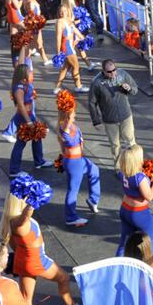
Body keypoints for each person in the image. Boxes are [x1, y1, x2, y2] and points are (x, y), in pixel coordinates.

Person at [0, 191, 85, 305]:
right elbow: (26, 217)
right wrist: (31, 204)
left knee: (26, 297)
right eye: (26, 198)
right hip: (37, 261)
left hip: (23, 261)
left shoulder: (11, 221)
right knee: (64, 278)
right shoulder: (19, 223)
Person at [116, 144, 153, 277]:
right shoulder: (139, 178)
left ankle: (117, 267)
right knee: (151, 241)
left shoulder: (123, 172)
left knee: (125, 241)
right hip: (139, 214)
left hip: (125, 209)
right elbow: (149, 196)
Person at [57, 96, 100, 227]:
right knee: (73, 190)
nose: (75, 114)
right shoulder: (65, 128)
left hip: (78, 160)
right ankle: (70, 218)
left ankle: (93, 200)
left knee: (94, 170)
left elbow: (63, 147)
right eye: (73, 113)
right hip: (74, 163)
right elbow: (64, 142)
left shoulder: (67, 125)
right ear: (67, 116)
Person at [87, 59, 140, 168]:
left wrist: (129, 88)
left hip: (125, 116)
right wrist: (96, 121)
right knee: (115, 146)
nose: (113, 73)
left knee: (131, 142)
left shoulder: (122, 74)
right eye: (109, 72)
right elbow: (92, 103)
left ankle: (135, 166)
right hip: (110, 120)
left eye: (114, 70)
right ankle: (118, 168)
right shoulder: (96, 83)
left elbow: (135, 89)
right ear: (103, 71)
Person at [7, 65, 49, 176]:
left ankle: (39, 162)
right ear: (23, 78)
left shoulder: (26, 85)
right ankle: (14, 170)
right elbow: (21, 106)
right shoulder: (19, 89)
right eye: (30, 72)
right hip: (24, 118)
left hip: (30, 116)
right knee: (21, 142)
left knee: (37, 137)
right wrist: (28, 121)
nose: (32, 73)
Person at [52, 2, 89, 94]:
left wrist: (81, 38)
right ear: (59, 12)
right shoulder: (60, 22)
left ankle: (57, 88)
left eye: (65, 11)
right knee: (76, 66)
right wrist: (58, 52)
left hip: (70, 46)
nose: (63, 13)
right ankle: (78, 86)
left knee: (65, 68)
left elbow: (75, 30)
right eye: (61, 11)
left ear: (68, 11)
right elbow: (58, 37)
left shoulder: (68, 20)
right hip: (66, 47)